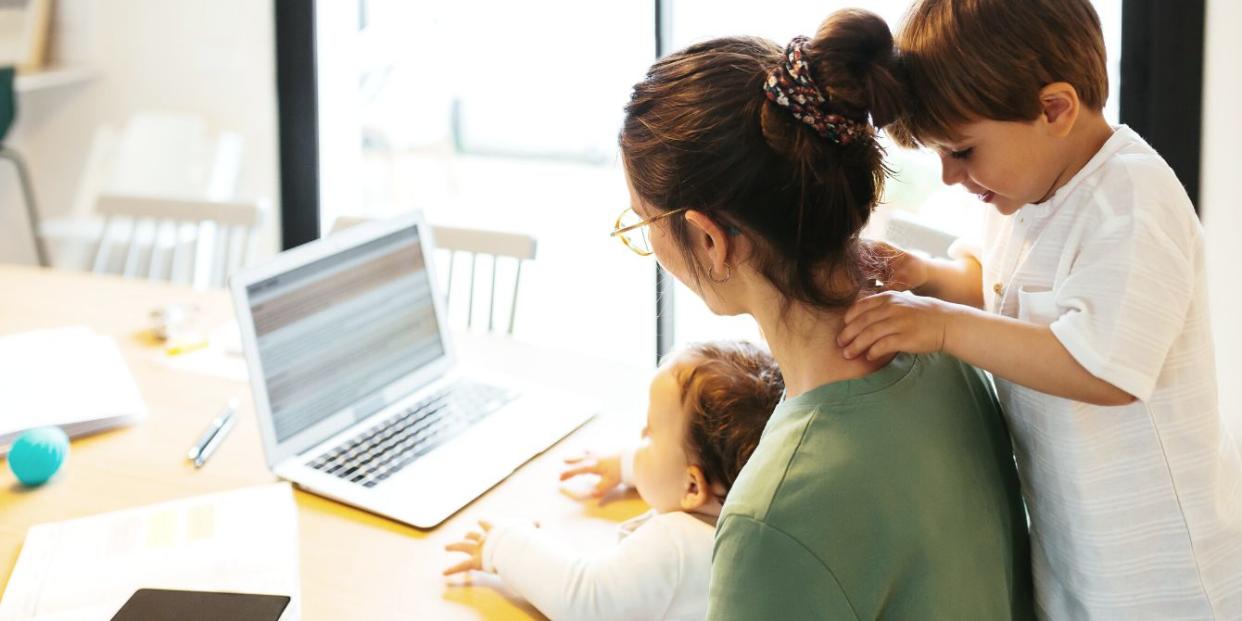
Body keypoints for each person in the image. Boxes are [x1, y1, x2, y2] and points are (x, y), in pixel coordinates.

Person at [617, 8, 1032, 620]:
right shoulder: (945, 351)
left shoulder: (771, 517)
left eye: (641, 221)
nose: (648, 242)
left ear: (710, 239)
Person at [836, 0, 1242, 617]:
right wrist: (927, 278)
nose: (949, 177)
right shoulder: (1022, 192)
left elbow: (1103, 369)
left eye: (962, 152)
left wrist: (944, 327)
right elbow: (995, 286)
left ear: (1054, 109)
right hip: (1076, 548)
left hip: (1163, 572)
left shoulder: (1129, 196)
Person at [443, 340, 783, 621]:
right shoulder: (764, 518)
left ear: (693, 487)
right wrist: (627, 466)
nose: (639, 435)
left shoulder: (676, 544)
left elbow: (582, 598)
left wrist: (504, 544)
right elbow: (679, 472)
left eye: (650, 433)